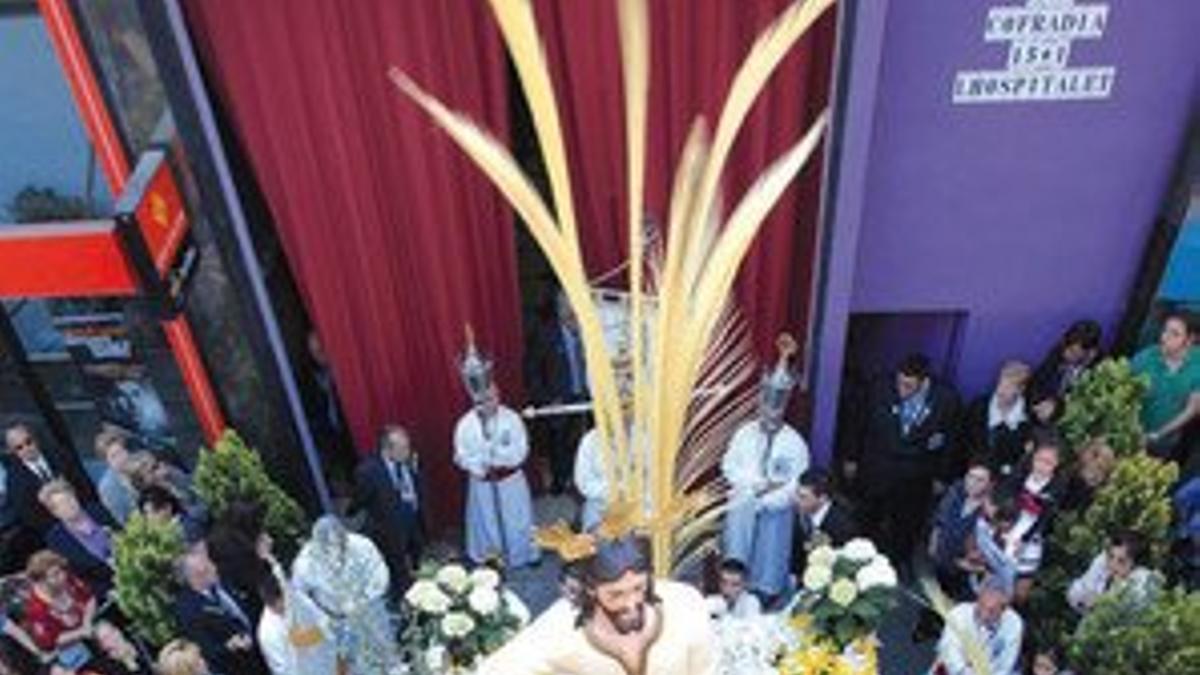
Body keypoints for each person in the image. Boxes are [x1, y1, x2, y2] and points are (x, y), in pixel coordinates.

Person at [479, 535, 716, 674]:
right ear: (590, 589)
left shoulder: (684, 605)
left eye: (639, 588)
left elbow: (705, 669)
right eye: (616, 594)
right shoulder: (562, 626)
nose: (632, 603)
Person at [850, 354, 961, 568]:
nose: (901, 389)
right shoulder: (878, 387)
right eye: (899, 382)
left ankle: (897, 565)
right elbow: (859, 423)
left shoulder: (946, 400)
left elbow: (951, 442)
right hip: (878, 469)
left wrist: (942, 476)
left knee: (906, 525)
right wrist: (852, 457)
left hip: (916, 477)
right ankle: (861, 562)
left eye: (909, 385)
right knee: (868, 518)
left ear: (924, 381)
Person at [721, 336, 809, 600]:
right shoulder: (743, 433)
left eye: (776, 411)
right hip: (743, 507)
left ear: (782, 411)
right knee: (738, 550)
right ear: (759, 406)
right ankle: (734, 591)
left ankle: (766, 591)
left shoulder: (795, 443)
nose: (769, 416)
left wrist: (769, 500)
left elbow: (796, 484)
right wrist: (755, 486)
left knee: (770, 556)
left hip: (775, 513)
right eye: (765, 410)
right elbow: (729, 466)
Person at [454, 344, 539, 568]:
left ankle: (523, 555)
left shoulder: (512, 419)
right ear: (476, 399)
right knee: (488, 524)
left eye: (493, 397)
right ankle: (493, 560)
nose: (490, 403)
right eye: (484, 399)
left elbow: (520, 452)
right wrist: (479, 464)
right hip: (483, 485)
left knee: (517, 522)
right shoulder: (465, 425)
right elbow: (461, 455)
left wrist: (497, 456)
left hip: (510, 483)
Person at [290, 516, 399, 674]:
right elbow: (300, 596)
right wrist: (320, 617)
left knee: (388, 658)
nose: (335, 552)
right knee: (357, 667)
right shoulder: (305, 563)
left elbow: (380, 573)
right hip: (336, 621)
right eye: (328, 548)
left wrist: (364, 599)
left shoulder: (362, 545)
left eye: (339, 545)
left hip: (371, 612)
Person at [10, 550, 140, 674]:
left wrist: (86, 623)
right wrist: (81, 633)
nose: (62, 576)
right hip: (67, 648)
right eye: (54, 575)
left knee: (109, 636)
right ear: (41, 581)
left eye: (62, 570)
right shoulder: (35, 609)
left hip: (88, 627)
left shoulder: (68, 580)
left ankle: (137, 668)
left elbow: (90, 599)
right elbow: (51, 641)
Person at [173, 540, 268, 675]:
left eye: (210, 563)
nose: (214, 568)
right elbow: (205, 651)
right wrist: (229, 647)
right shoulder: (188, 612)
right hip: (241, 668)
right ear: (195, 578)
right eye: (206, 569)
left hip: (264, 644)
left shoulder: (220, 579)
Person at [528, 290, 590, 494]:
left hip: (586, 394)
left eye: (573, 307)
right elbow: (532, 369)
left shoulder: (589, 329)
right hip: (558, 398)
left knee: (587, 440)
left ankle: (585, 480)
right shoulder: (545, 334)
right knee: (559, 443)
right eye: (565, 307)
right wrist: (545, 400)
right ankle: (560, 481)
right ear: (558, 309)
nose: (570, 312)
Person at [350, 424, 424, 597]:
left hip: (413, 521)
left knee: (418, 558)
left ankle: (421, 585)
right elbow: (361, 499)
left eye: (408, 446)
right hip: (389, 529)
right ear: (387, 450)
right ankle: (407, 602)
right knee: (399, 571)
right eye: (402, 449)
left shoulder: (412, 459)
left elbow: (418, 485)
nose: (408, 452)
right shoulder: (368, 471)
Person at [1131, 311, 1200, 461]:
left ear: (1190, 340)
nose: (1164, 337)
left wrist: (1158, 434)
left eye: (1174, 334)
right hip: (1131, 433)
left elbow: (1193, 408)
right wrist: (1134, 431)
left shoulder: (1198, 363)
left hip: (1165, 440)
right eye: (1165, 330)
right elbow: (1125, 395)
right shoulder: (1144, 358)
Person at [929, 459, 994, 600]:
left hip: (962, 574)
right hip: (941, 561)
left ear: (989, 485)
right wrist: (933, 542)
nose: (973, 483)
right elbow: (939, 518)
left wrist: (965, 565)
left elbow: (988, 557)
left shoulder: (988, 514)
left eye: (980, 480)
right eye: (970, 476)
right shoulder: (955, 492)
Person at [40, 480, 116, 598]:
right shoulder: (57, 540)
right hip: (108, 587)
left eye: (70, 499)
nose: (69, 505)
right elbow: (78, 577)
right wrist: (107, 592)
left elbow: (125, 534)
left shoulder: (97, 510)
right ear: (54, 512)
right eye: (62, 504)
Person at [934, 575, 1023, 675]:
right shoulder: (958, 614)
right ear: (978, 598)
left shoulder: (1014, 623)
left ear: (1004, 610)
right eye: (981, 606)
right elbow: (949, 651)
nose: (984, 615)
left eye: (991, 611)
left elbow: (1006, 663)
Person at [255, 569, 337, 675]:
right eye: (280, 607)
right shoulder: (267, 633)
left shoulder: (295, 596)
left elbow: (322, 619)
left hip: (329, 660)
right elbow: (284, 670)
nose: (287, 606)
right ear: (271, 605)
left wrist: (318, 633)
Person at [959, 361, 1032, 478]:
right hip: (971, 474)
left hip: (1002, 481)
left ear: (1021, 389)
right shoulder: (979, 406)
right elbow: (963, 439)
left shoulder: (1028, 418)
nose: (1001, 390)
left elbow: (1021, 457)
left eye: (1009, 386)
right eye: (1000, 384)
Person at [3, 423, 73, 534]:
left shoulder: (59, 454)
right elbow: (30, 517)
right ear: (12, 452)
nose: (27, 449)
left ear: (35, 439)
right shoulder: (14, 481)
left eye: (28, 442)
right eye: (19, 447)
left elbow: (82, 486)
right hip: (56, 530)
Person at [1029, 320, 1102, 423]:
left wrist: (1056, 407)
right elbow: (1038, 380)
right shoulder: (1060, 351)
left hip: (1069, 420)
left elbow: (1086, 405)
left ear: (1091, 353)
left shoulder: (1099, 369)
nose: (1066, 354)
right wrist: (1038, 403)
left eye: (1074, 352)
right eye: (1066, 347)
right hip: (1044, 412)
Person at [1066, 530, 1157, 613]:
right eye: (1111, 556)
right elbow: (1076, 592)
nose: (1112, 564)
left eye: (1121, 561)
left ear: (1137, 566)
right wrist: (1085, 601)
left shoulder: (1144, 581)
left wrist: (1100, 602)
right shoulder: (1102, 562)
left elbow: (1126, 614)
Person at [790, 468, 859, 576]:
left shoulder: (842, 525)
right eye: (797, 494)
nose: (796, 501)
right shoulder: (798, 515)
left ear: (822, 498)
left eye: (803, 497)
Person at [93, 427, 139, 525]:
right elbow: (126, 520)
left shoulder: (139, 462)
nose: (121, 458)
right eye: (114, 456)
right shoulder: (108, 487)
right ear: (106, 461)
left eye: (121, 452)